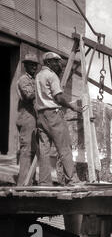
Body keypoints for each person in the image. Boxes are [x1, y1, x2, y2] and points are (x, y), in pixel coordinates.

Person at [35, 52, 82, 186]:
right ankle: (72, 180)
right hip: (53, 115)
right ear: (48, 63)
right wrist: (72, 107)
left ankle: (44, 182)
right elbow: (59, 98)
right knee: (64, 148)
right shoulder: (51, 76)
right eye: (56, 62)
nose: (59, 65)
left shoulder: (38, 76)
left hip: (41, 116)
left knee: (44, 151)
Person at [16, 54, 38, 186]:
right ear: (25, 66)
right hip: (26, 118)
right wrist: (42, 89)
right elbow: (29, 95)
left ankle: (29, 182)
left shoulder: (34, 80)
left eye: (35, 64)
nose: (34, 66)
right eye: (31, 64)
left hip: (34, 118)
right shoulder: (23, 80)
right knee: (26, 151)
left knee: (33, 151)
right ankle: (22, 185)